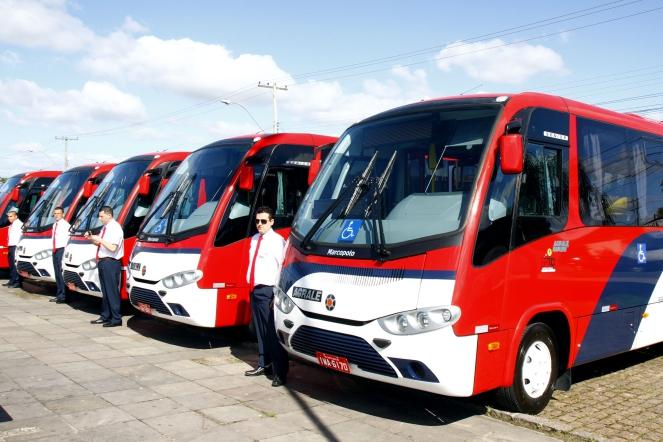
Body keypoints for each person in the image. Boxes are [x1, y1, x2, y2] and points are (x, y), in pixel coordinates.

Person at [244, 206, 289, 387]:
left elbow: (281, 268)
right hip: (255, 289)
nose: (259, 224)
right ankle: (264, 364)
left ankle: (280, 372)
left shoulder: (277, 241)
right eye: (257, 221)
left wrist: (276, 294)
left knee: (272, 334)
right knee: (260, 332)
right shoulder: (254, 239)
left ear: (271, 222)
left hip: (269, 291)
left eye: (263, 221)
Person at [86, 206, 124, 327]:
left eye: (102, 216)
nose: (100, 218)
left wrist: (100, 240)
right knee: (106, 291)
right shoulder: (106, 228)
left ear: (109, 215)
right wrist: (91, 238)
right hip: (103, 261)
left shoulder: (115, 228)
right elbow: (98, 243)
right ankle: (105, 316)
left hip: (111, 262)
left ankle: (116, 318)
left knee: (111, 291)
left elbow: (113, 248)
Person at [50, 206, 70, 303]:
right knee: (57, 273)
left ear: (63, 214)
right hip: (55, 250)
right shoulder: (55, 225)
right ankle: (59, 294)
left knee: (61, 274)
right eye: (55, 213)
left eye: (58, 213)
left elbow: (67, 240)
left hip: (61, 250)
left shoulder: (65, 225)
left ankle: (63, 296)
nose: (56, 215)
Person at [5, 207, 23, 288]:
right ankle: (12, 280)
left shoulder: (19, 224)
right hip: (11, 245)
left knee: (15, 264)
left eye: (11, 216)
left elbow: (21, 236)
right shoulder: (11, 225)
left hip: (15, 246)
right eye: (8, 216)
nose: (9, 218)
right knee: (11, 264)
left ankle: (16, 281)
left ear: (16, 216)